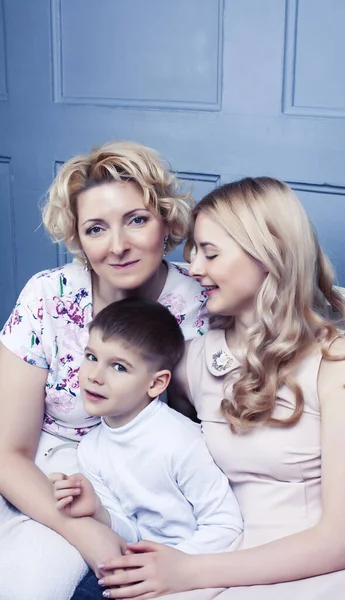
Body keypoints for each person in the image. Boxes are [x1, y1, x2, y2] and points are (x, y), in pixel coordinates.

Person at [93, 177, 345, 600]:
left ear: (268, 255)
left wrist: (191, 571)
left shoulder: (340, 362)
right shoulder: (192, 360)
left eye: (211, 253)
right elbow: (121, 411)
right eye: (194, 252)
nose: (195, 268)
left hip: (330, 567)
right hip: (228, 551)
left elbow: (344, 542)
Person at [0, 140, 208, 600]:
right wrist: (86, 534)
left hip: (119, 483)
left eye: (137, 220)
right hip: (32, 466)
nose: (118, 246)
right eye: (96, 229)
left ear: (166, 222)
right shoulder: (48, 296)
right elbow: (8, 450)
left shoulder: (196, 301)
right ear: (78, 239)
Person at [50, 297, 242, 555]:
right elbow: (132, 533)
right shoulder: (90, 450)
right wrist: (97, 510)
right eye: (91, 356)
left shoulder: (181, 441)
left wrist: (172, 566)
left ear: (156, 384)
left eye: (118, 366)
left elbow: (226, 526)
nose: (95, 376)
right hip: (142, 566)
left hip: (195, 566)